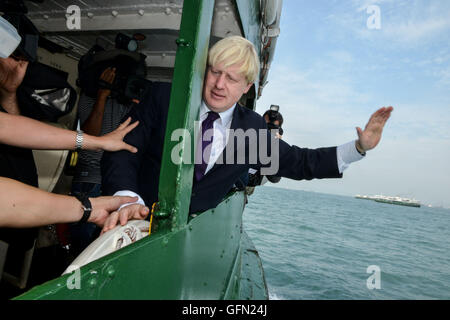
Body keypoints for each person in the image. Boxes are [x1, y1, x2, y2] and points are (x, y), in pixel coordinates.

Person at [101, 36, 393, 232]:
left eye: (231, 78)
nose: (218, 84)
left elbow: (300, 162)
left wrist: (358, 147)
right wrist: (127, 198)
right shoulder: (164, 97)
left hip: (187, 241)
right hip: (130, 222)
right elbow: (123, 151)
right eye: (215, 72)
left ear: (247, 87)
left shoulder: (252, 128)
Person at [69, 65, 135, 254]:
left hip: (110, 181)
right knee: (82, 241)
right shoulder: (89, 99)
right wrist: (102, 95)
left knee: (99, 243)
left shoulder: (126, 104)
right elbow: (89, 133)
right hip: (88, 180)